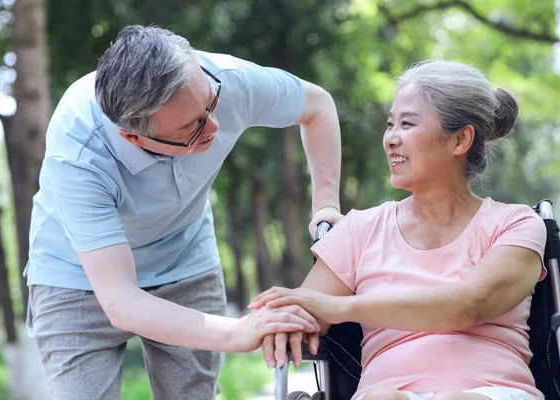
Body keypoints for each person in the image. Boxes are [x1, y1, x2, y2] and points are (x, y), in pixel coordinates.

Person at [24, 25, 341, 399]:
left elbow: (317, 106)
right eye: (192, 128)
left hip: (183, 255)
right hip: (77, 275)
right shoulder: (78, 153)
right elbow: (121, 302)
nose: (215, 126)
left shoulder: (226, 80)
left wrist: (326, 203)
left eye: (210, 104)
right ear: (134, 137)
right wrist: (239, 332)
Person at [250, 60, 547, 400]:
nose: (390, 139)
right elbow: (300, 316)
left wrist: (340, 307)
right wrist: (285, 323)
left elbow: (470, 305)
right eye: (390, 125)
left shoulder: (517, 225)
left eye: (407, 124)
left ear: (461, 139)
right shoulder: (359, 230)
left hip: (492, 392)